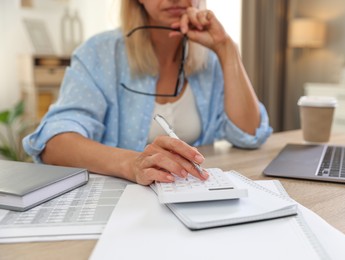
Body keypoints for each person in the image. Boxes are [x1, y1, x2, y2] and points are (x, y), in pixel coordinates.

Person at [23, 0, 272, 185]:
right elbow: (54, 143)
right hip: (120, 204)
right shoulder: (99, 53)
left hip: (186, 195)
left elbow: (249, 135)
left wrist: (226, 48)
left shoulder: (210, 60)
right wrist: (132, 163)